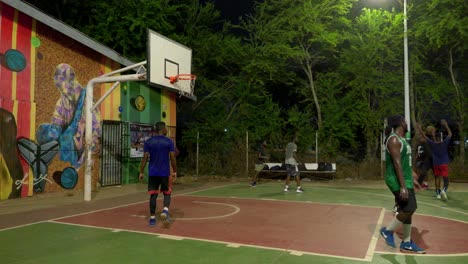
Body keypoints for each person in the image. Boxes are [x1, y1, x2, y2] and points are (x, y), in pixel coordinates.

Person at [380, 115, 425, 254]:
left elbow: (404, 161)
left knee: (407, 210)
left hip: (406, 178)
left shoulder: (403, 140)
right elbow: (396, 163)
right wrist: (403, 186)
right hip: (396, 180)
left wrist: (413, 176)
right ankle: (388, 231)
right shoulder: (393, 139)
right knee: (410, 207)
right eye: (404, 121)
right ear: (400, 123)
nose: (407, 123)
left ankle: (406, 243)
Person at [139, 122, 177, 226]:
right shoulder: (169, 141)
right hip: (165, 172)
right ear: (163, 129)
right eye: (166, 128)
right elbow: (173, 157)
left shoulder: (149, 142)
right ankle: (165, 211)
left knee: (153, 195)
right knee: (167, 193)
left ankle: (152, 219)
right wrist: (175, 170)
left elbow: (145, 158)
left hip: (153, 172)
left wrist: (141, 172)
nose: (166, 130)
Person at [417, 120, 452, 200]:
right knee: (445, 178)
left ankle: (437, 194)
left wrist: (419, 128)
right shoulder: (444, 143)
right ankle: (444, 190)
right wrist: (446, 125)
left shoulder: (433, 144)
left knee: (437, 178)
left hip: (436, 164)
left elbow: (424, 136)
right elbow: (450, 134)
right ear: (441, 139)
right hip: (443, 164)